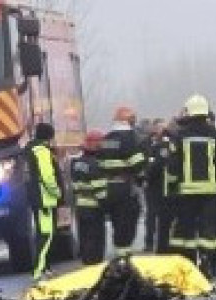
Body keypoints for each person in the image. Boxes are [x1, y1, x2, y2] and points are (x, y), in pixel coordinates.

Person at [167, 95, 216, 279]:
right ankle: (211, 265)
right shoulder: (215, 134)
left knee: (185, 233)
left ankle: (188, 267)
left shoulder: (179, 135)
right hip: (211, 192)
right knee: (210, 231)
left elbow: (173, 166)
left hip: (186, 193)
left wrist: (172, 188)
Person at [97, 106, 145, 253]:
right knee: (127, 222)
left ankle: (119, 252)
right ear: (129, 121)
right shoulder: (129, 138)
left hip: (109, 188)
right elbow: (137, 163)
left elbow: (100, 163)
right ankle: (124, 257)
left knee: (117, 222)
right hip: (125, 187)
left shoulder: (107, 139)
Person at [22, 123, 64, 280]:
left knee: (43, 233)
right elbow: (47, 175)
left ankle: (45, 268)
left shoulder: (29, 149)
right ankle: (39, 270)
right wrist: (57, 192)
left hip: (35, 197)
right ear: (50, 136)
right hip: (44, 199)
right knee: (46, 234)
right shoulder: (42, 151)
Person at [69, 130, 110, 265]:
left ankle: (86, 263)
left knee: (85, 238)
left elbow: (74, 186)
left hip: (81, 207)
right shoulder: (95, 165)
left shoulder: (76, 163)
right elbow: (100, 190)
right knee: (96, 241)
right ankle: (94, 267)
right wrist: (107, 207)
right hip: (94, 209)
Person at [142, 120, 175, 253]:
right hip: (161, 186)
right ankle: (151, 242)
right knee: (152, 215)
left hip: (158, 185)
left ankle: (162, 245)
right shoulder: (146, 143)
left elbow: (154, 166)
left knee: (161, 217)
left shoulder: (160, 146)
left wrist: (146, 177)